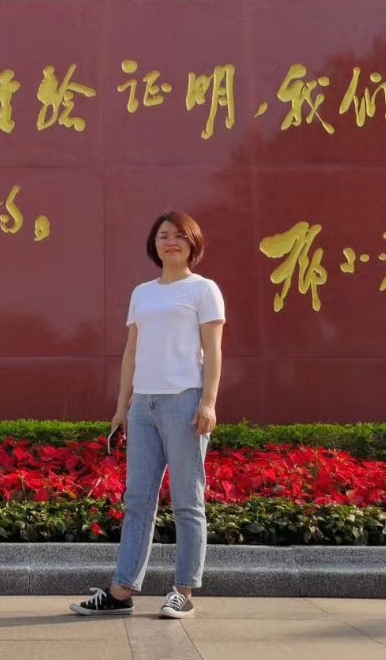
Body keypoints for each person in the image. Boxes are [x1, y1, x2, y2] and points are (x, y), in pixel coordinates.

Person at [70, 210, 225, 621]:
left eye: (178, 235)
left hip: (184, 402)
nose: (170, 241)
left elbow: (213, 351)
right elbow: (131, 352)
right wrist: (122, 406)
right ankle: (121, 591)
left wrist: (208, 402)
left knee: (187, 501)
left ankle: (183, 590)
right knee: (138, 500)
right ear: (154, 244)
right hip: (144, 405)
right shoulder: (142, 293)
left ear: (193, 243)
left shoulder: (204, 290)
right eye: (163, 235)